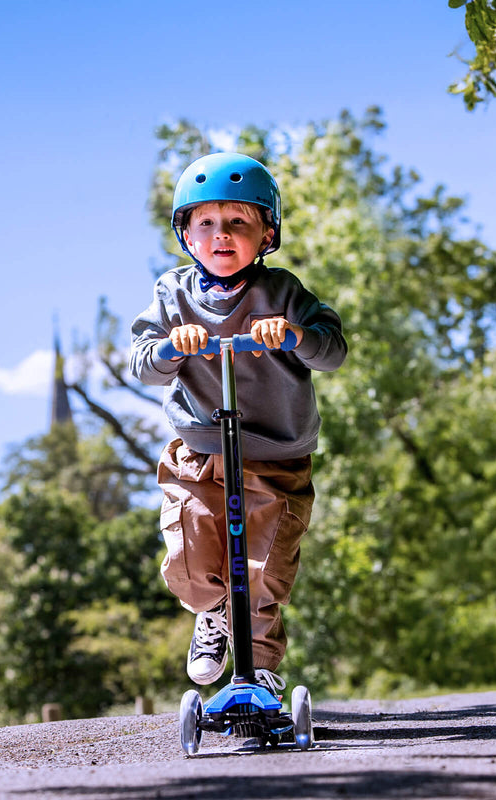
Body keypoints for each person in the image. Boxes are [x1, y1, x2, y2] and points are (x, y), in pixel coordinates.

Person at [128, 152, 346, 696]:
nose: (220, 234)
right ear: (186, 235)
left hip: (274, 452)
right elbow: (143, 363)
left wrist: (293, 334)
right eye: (205, 222)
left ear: (266, 233)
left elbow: (332, 350)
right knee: (188, 552)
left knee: (264, 569)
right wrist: (170, 347)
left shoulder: (283, 292)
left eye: (237, 221)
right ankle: (213, 612)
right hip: (199, 449)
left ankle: (262, 668)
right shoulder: (172, 294)